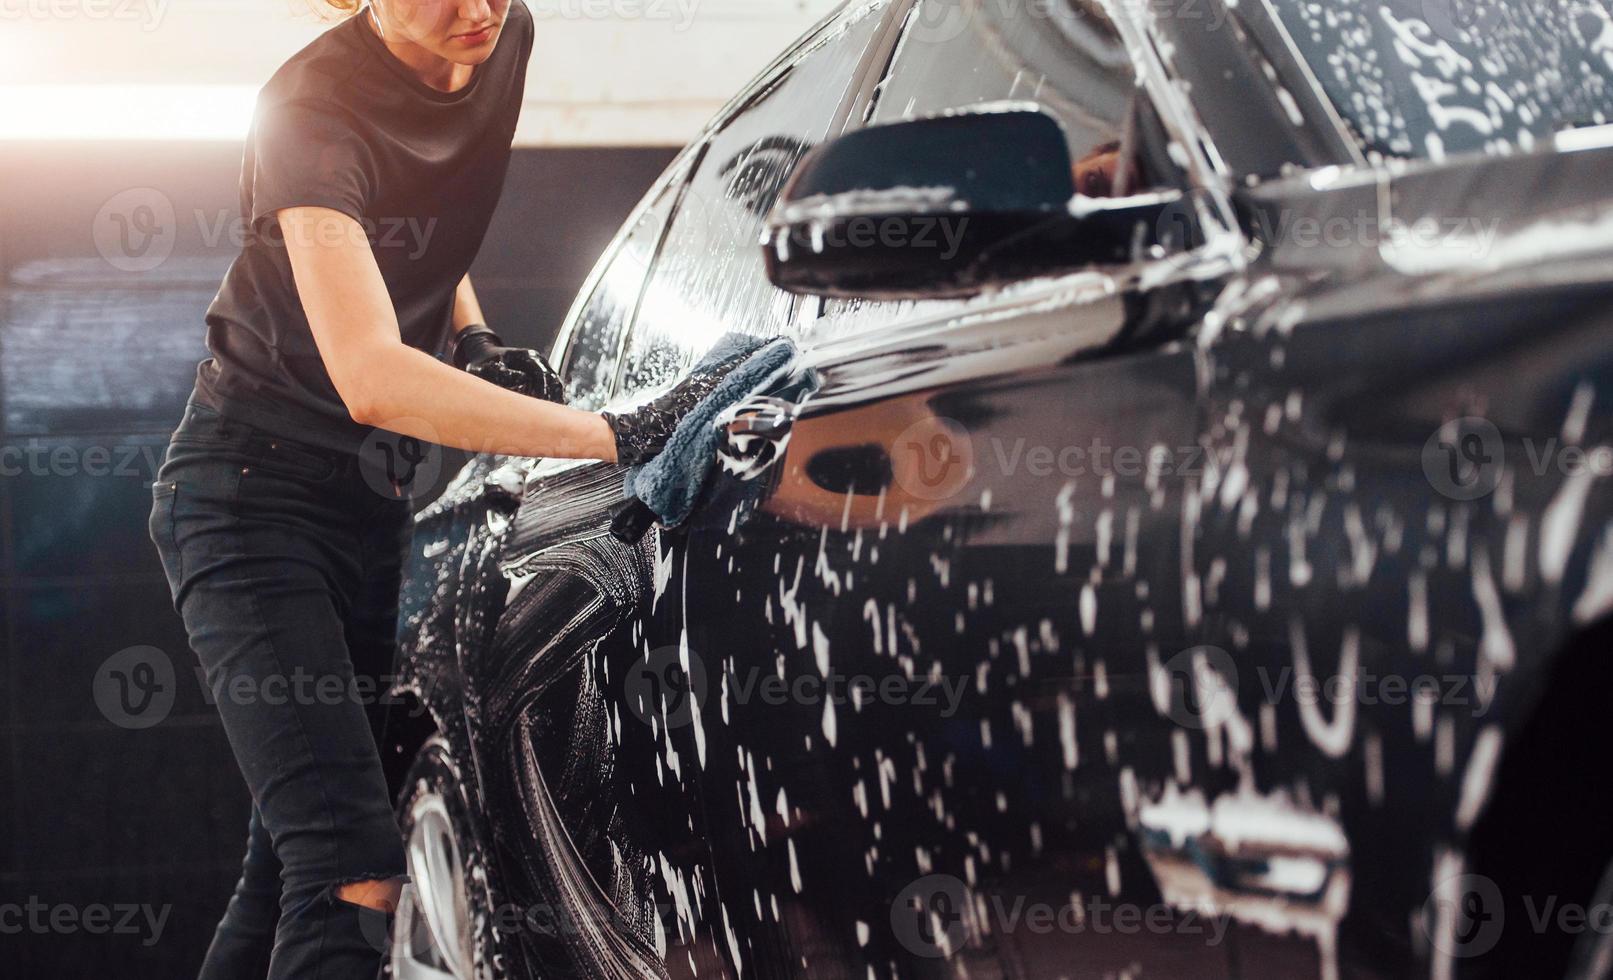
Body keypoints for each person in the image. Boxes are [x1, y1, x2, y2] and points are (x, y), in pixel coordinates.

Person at [147, 2, 718, 976]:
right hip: (248, 504)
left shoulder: (503, 36)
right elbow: (370, 372)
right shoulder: (310, 110)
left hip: (369, 505)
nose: (477, 8)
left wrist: (473, 335)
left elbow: (415, 234)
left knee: (283, 867)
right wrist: (614, 435)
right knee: (353, 875)